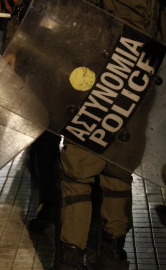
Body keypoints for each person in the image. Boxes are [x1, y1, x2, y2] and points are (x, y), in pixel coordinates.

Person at [55, 0, 162, 269]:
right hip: (141, 79)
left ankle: (72, 258)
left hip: (99, 74)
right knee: (118, 173)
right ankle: (113, 253)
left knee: (78, 173)